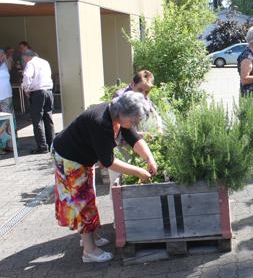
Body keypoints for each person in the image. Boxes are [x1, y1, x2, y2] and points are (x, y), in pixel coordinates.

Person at [52, 91, 157, 263]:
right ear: (122, 113)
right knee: (82, 201)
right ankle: (89, 250)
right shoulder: (101, 123)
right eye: (133, 120)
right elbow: (108, 162)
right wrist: (138, 171)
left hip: (82, 157)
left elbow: (134, 138)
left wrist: (149, 158)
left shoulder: (118, 113)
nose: (134, 123)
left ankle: (93, 236)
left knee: (89, 195)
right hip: (69, 157)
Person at [21, 50, 54, 154]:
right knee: (48, 119)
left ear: (27, 57)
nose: (25, 62)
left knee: (37, 119)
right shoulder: (45, 62)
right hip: (48, 91)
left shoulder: (30, 63)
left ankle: (42, 146)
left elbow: (26, 76)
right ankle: (52, 145)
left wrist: (26, 89)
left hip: (38, 93)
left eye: (24, 60)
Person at [0, 49, 14, 155]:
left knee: (10, 122)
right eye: (1, 55)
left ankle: (11, 145)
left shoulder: (5, 65)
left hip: (8, 97)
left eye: (3, 55)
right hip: (1, 98)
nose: (3, 56)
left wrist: (5, 59)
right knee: (2, 123)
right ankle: (2, 146)